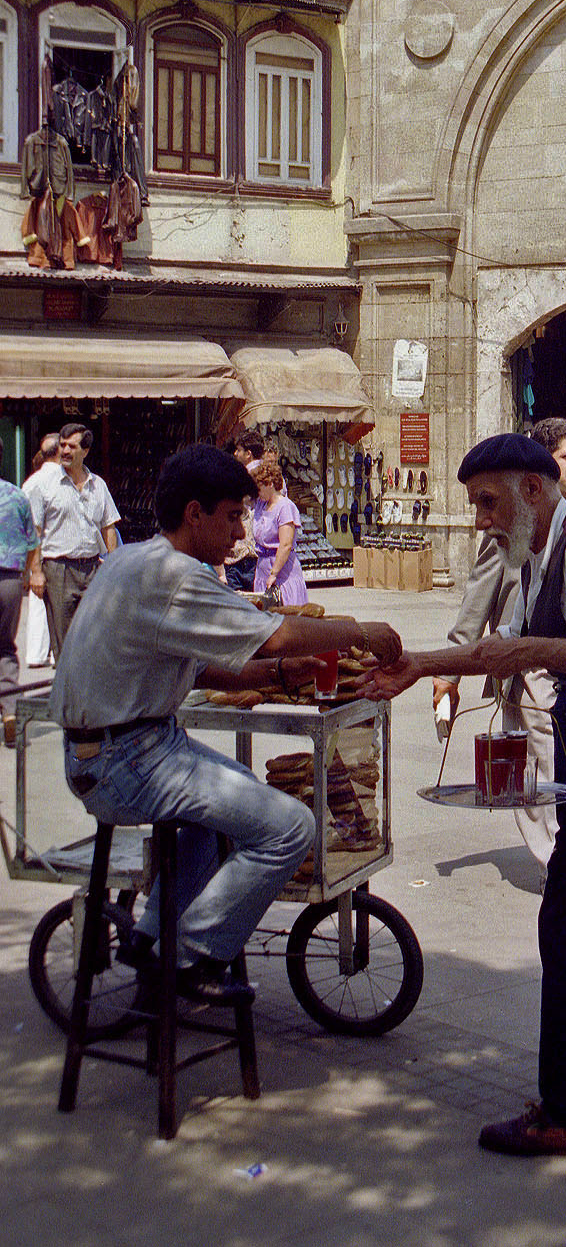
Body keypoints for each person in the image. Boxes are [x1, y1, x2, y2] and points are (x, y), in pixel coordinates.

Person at [371, 432, 566, 1157]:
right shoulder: (539, 550)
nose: (481, 518)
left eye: (488, 502)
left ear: (534, 490)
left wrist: (529, 653)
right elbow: (504, 640)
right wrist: (421, 665)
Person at [52, 444, 402, 1003]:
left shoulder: (130, 560)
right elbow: (275, 630)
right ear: (196, 514)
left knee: (218, 821)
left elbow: (199, 668)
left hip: (133, 749)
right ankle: (189, 956)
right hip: (125, 761)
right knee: (290, 827)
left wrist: (281, 674)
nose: (241, 528)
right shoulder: (175, 575)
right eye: (234, 514)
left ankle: (148, 941)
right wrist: (359, 629)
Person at [431, 417, 566, 875]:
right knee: (534, 771)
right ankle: (554, 862)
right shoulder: (509, 522)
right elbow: (477, 598)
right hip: (526, 673)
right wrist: (448, 671)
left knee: (561, 769)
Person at [26, 423, 120, 660]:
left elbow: (109, 526)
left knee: (96, 636)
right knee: (65, 643)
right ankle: (67, 694)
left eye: (72, 446)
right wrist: (36, 572)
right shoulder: (44, 485)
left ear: (85, 451)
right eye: (63, 445)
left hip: (93, 567)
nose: (65, 451)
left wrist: (113, 566)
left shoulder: (98, 485)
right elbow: (35, 532)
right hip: (59, 570)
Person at [1, 438, 40, 747]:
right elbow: (32, 543)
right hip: (10, 581)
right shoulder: (16, 496)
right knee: (4, 648)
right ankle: (12, 710)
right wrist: (31, 574)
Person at [21, 433, 60, 666]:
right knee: (57, 604)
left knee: (39, 603)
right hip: (50, 548)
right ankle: (54, 651)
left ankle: (37, 653)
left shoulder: (30, 482)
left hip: (35, 548)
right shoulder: (58, 480)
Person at [252, 462, 307, 605]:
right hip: (262, 568)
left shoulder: (285, 507)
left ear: (270, 484)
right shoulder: (260, 504)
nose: (257, 492)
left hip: (281, 571)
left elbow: (286, 544)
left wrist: (274, 573)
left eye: (259, 488)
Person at [222, 430, 265, 591]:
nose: (235, 453)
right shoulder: (275, 477)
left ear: (248, 454)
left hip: (238, 555)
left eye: (238, 450)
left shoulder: (239, 478)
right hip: (260, 554)